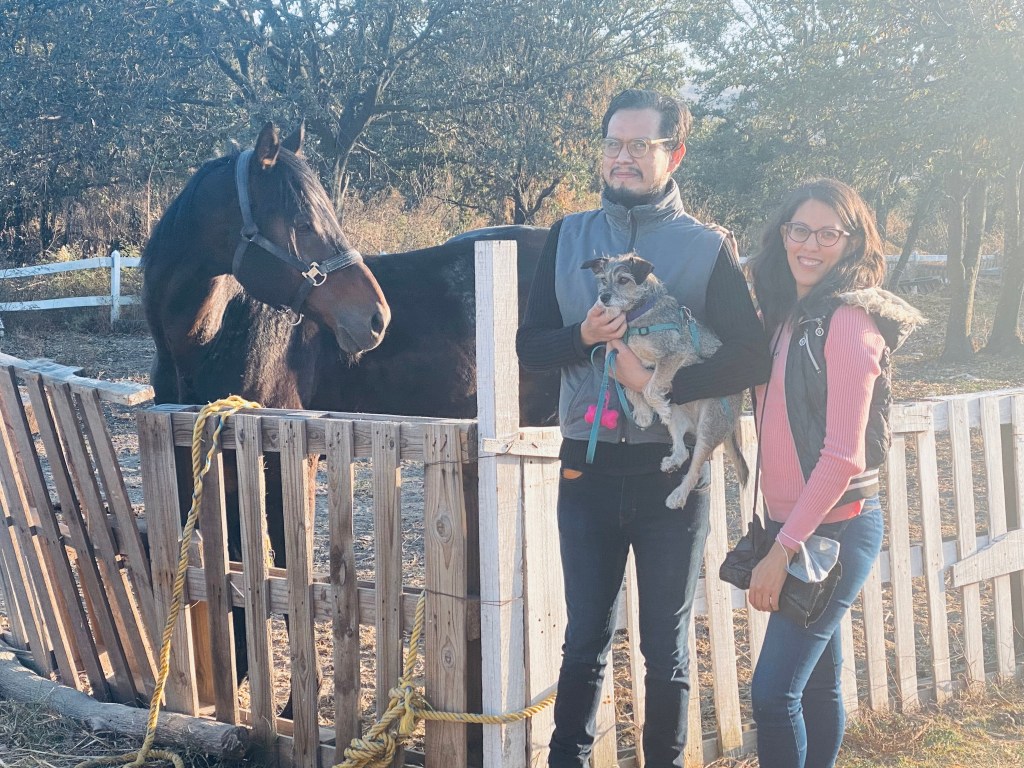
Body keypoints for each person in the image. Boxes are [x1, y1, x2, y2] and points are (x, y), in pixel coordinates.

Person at [516, 88, 770, 767]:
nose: (622, 159)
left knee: (666, 643)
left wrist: (662, 384)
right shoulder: (568, 236)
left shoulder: (707, 248)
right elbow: (529, 346)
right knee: (585, 640)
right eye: (613, 144)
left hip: (670, 472)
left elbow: (750, 356)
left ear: (674, 153)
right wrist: (581, 336)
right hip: (587, 466)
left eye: (639, 145)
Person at [745, 178, 923, 768]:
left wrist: (783, 550)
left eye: (829, 233)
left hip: (833, 531)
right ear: (782, 234)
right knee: (815, 685)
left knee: (773, 695)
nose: (811, 245)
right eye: (800, 230)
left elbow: (844, 456)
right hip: (797, 524)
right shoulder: (783, 317)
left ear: (851, 244)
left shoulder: (847, 321)